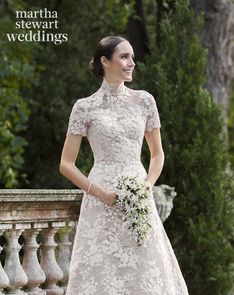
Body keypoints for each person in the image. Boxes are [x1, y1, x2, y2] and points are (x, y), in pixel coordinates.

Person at [59, 35, 189, 295]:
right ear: (105, 61)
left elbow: (157, 154)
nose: (132, 63)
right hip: (100, 197)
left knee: (144, 269)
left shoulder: (144, 101)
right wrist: (102, 194)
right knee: (101, 271)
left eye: (132, 57)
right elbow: (66, 164)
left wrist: (145, 188)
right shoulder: (84, 107)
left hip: (138, 196)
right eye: (124, 57)